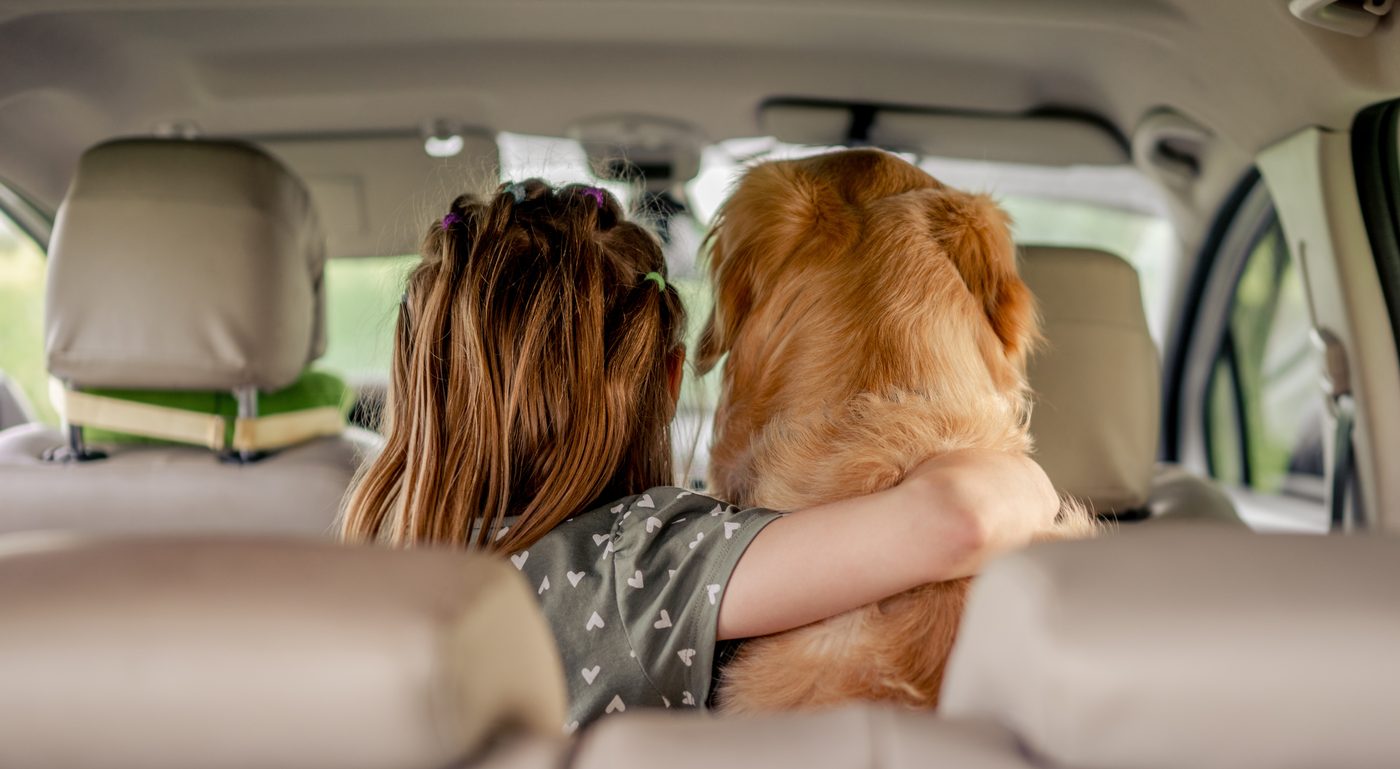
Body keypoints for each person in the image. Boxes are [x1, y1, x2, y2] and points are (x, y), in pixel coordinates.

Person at [340, 179, 1059, 729]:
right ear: (672, 377)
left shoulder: (368, 559)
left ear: (415, 377)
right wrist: (1029, 482)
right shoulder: (646, 563)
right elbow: (960, 518)